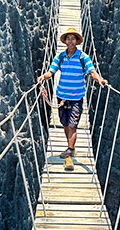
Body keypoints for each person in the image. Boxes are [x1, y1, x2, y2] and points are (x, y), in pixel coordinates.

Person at [36, 28, 107, 167]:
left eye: (73, 38)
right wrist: (43, 77)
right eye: (68, 38)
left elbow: (92, 71)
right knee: (65, 124)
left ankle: (69, 153)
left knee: (72, 125)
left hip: (76, 97)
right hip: (61, 96)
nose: (70, 41)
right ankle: (70, 148)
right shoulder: (60, 57)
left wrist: (99, 79)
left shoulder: (83, 57)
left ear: (77, 41)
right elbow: (51, 72)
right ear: (65, 41)